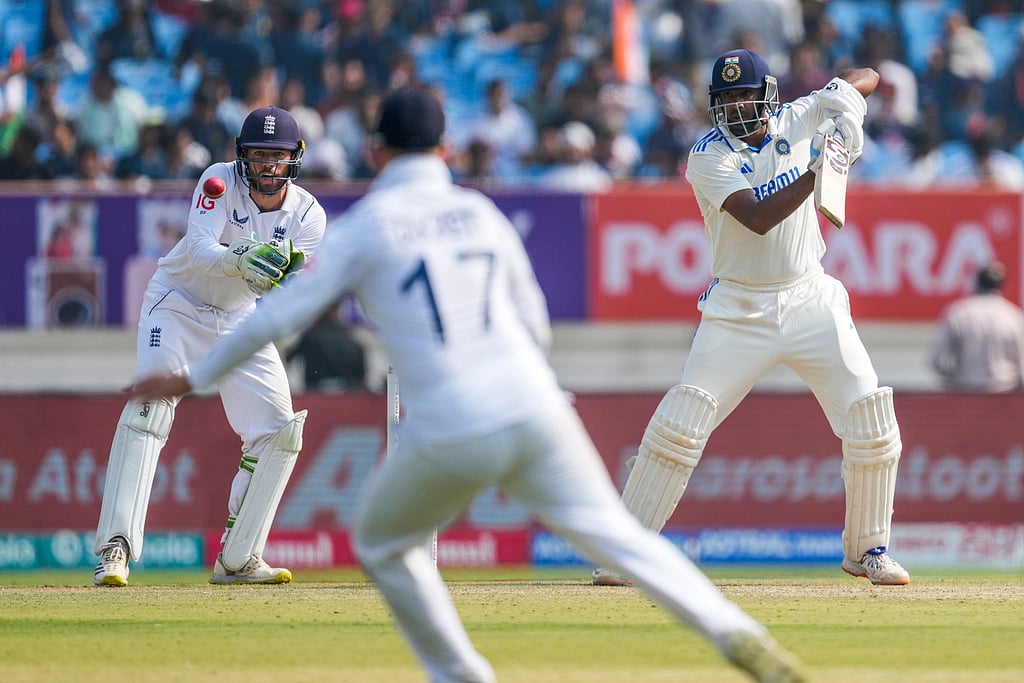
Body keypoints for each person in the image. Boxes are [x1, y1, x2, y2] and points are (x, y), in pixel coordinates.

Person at [129, 84, 809, 683]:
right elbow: (535, 326)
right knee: (620, 536)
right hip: (536, 403)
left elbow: (271, 318)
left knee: (382, 544)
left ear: (374, 150)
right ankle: (737, 632)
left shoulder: (366, 227)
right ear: (447, 148)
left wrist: (193, 376)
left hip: (449, 422)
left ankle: (462, 673)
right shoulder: (483, 214)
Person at [592, 48, 911, 588]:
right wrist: (825, 168)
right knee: (681, 424)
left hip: (811, 297)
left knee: (871, 422)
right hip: (738, 309)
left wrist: (844, 113)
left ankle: (868, 550)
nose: (738, 105)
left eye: (746, 93)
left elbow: (867, 77)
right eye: (727, 97)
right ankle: (627, 555)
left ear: (769, 92)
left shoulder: (796, 115)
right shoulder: (706, 157)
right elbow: (759, 218)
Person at [93, 106, 326, 587]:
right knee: (150, 407)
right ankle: (115, 548)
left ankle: (239, 557)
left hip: (240, 318)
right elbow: (200, 249)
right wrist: (244, 256)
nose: (266, 165)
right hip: (177, 303)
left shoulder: (308, 216)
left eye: (277, 157)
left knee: (279, 430)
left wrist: (270, 278)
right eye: (258, 155)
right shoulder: (218, 180)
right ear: (242, 157)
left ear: (294, 160)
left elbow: (285, 287)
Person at [929, 262, 1024, 392]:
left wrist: (954, 377)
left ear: (977, 282)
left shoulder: (957, 313)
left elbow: (936, 360)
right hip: (1004, 392)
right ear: (1001, 285)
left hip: (965, 392)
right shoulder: (1013, 316)